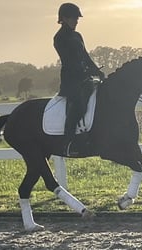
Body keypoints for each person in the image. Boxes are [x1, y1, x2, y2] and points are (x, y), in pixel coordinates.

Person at [54, 3, 104, 155]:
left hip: (85, 77)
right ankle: (68, 143)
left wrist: (97, 71)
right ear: (64, 18)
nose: (76, 21)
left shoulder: (77, 36)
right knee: (79, 105)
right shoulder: (60, 38)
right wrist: (85, 71)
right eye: (74, 18)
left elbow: (85, 56)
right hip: (71, 80)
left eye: (77, 18)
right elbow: (69, 61)